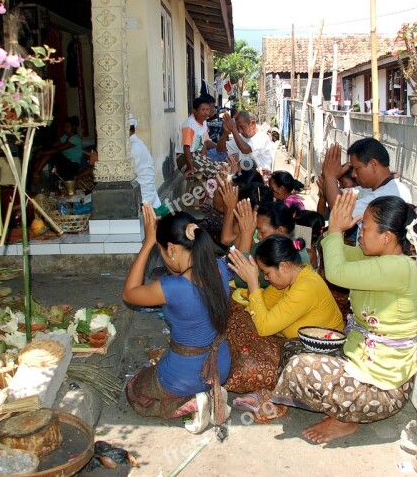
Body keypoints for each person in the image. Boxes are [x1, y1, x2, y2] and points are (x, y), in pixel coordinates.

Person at [244, 191, 417, 443]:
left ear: (386, 237)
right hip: (357, 361)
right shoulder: (376, 258)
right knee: (293, 348)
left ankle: (345, 420)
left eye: (366, 226)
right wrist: (334, 232)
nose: (360, 231)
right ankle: (313, 404)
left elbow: (335, 271)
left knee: (300, 368)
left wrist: (334, 229)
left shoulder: (399, 267)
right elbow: (335, 253)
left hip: (383, 387)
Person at [123, 206, 231, 434]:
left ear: (171, 248)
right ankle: (211, 395)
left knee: (135, 390)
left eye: (161, 250)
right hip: (221, 366)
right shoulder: (220, 268)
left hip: (183, 375)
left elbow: (129, 292)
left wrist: (147, 244)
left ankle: (191, 403)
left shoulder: (170, 288)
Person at [223, 235, 344, 404]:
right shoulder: (290, 278)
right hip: (293, 343)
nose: (265, 278)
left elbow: (264, 326)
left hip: (320, 356)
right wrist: (252, 290)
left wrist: (252, 282)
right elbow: (261, 303)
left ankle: (270, 393)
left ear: (284, 266)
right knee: (238, 317)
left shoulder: (306, 287)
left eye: (267, 273)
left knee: (249, 351)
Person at [321, 138, 412, 239]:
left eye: (357, 168)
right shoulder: (372, 188)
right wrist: (330, 177)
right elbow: (339, 197)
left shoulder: (389, 193)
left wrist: (330, 176)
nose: (353, 174)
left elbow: (340, 212)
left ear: (373, 164)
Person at [128, 113, 169, 216]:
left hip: (144, 197)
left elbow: (124, 173)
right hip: (147, 195)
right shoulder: (135, 144)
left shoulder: (133, 147)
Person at [179, 96, 218, 179]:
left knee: (221, 166)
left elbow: (204, 143)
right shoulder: (190, 125)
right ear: (195, 111)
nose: (206, 113)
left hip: (196, 156)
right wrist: (191, 168)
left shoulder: (204, 123)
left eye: (207, 109)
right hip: (184, 158)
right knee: (214, 171)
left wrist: (204, 159)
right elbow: (186, 147)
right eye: (203, 110)